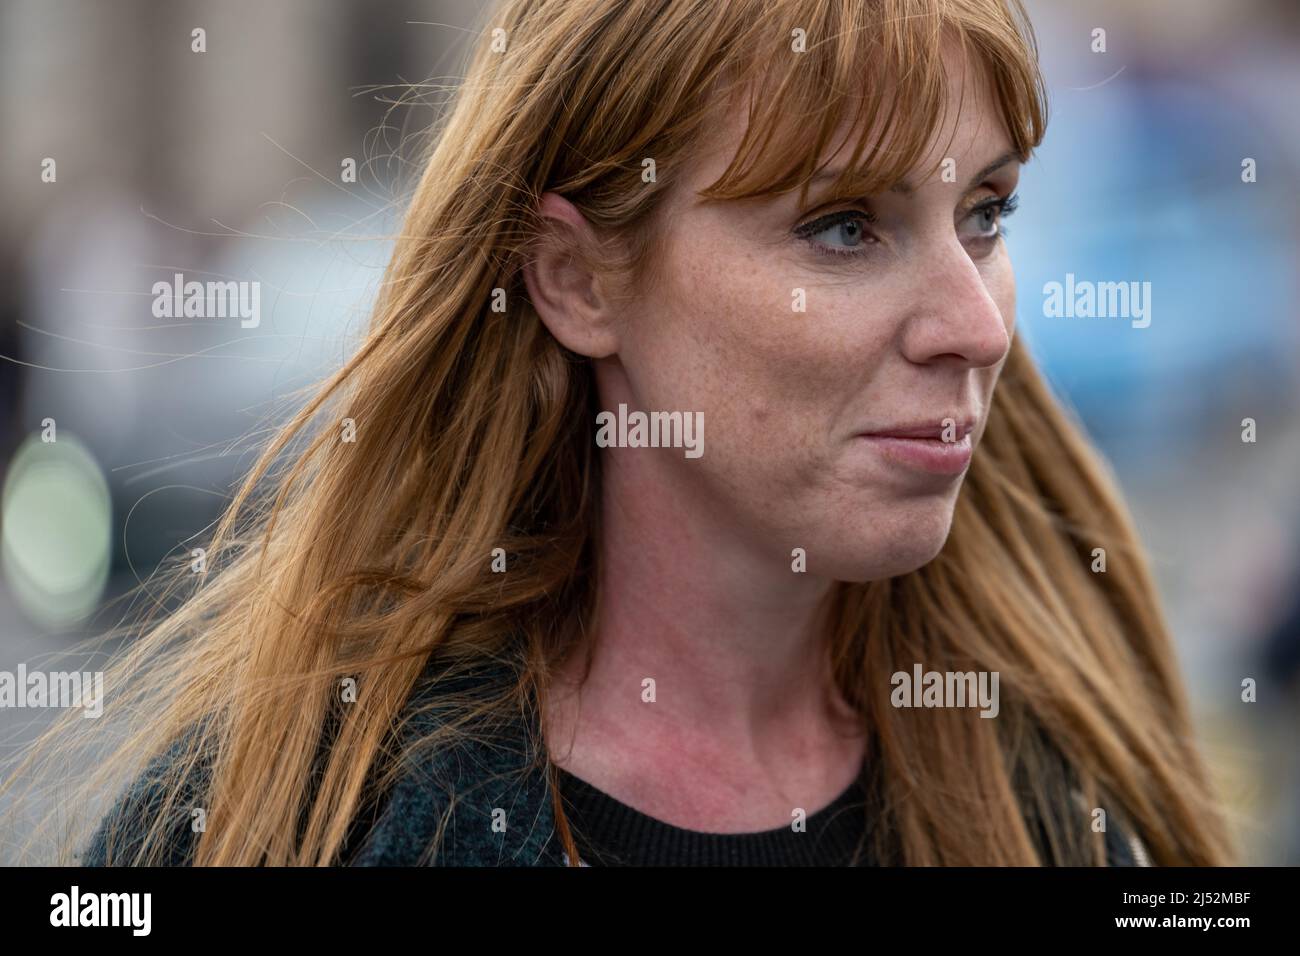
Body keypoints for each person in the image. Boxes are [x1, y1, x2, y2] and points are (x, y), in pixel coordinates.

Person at [6, 0, 1234, 866]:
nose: (976, 325)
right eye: (845, 226)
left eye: (986, 211)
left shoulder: (1067, 771)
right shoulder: (311, 814)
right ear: (577, 281)